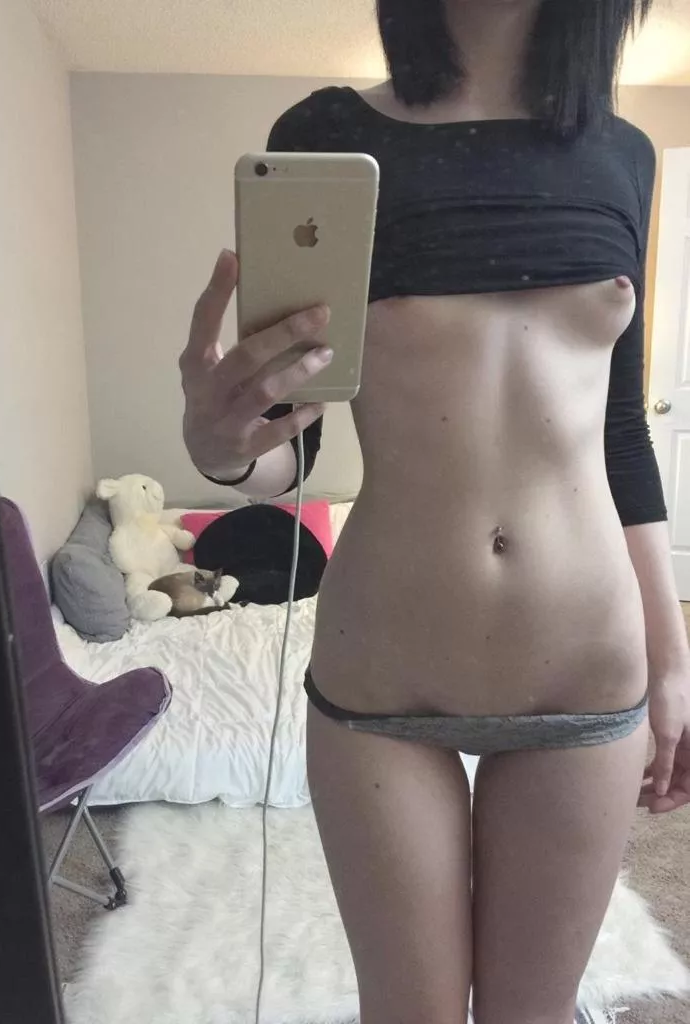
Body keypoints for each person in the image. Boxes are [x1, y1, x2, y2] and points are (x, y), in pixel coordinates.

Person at [180, 2, 690, 1022]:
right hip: (384, 676)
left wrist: (672, 657)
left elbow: (619, 432)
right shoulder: (325, 137)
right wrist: (220, 450)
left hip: (584, 667)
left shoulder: (625, 155)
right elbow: (291, 439)